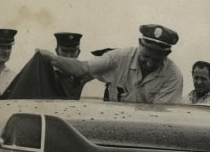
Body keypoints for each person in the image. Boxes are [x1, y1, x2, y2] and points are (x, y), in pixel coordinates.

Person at [39, 23, 184, 103]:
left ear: (167, 54)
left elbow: (160, 117)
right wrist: (53, 59)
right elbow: (83, 68)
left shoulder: (173, 77)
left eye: (156, 59)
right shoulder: (118, 58)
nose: (149, 63)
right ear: (140, 43)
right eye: (145, 56)